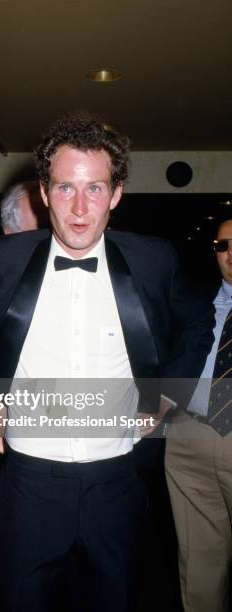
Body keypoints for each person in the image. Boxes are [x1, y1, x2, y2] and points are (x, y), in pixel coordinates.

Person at [0, 110, 215, 612]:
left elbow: (197, 323)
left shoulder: (154, 260)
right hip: (26, 486)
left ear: (118, 193)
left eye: (96, 189)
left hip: (118, 484)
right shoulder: (1, 261)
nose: (80, 208)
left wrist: (167, 397)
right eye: (65, 188)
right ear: (44, 192)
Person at [165, 218, 232, 612]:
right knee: (199, 567)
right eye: (223, 245)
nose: (231, 253)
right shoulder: (195, 302)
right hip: (189, 440)